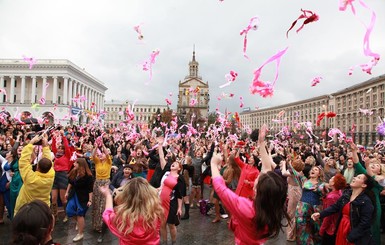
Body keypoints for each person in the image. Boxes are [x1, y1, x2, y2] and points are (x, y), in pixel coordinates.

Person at [210, 125, 289, 244]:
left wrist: (213, 164)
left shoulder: (247, 208)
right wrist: (261, 142)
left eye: (258, 179)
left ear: (257, 189)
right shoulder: (271, 208)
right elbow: (267, 167)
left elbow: (221, 189)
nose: (259, 176)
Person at [312, 173, 376, 245]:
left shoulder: (366, 201)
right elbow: (335, 207)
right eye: (355, 176)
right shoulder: (347, 194)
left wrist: (352, 236)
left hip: (353, 232)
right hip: (342, 228)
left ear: (364, 185)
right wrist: (320, 214)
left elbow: (365, 222)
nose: (354, 177)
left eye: (358, 177)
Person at [99, 177, 164, 245]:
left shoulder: (121, 218)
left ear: (126, 196)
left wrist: (108, 195)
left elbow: (107, 214)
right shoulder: (156, 213)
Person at [14, 134, 55, 215]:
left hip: (25, 209)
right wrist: (45, 146)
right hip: (43, 209)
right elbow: (48, 160)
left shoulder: (30, 178)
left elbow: (23, 162)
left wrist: (31, 143)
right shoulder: (51, 175)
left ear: (37, 167)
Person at [65, 158, 94, 242]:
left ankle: (80, 233)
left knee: (80, 214)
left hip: (83, 197)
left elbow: (90, 189)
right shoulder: (74, 171)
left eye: (76, 163)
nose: (74, 164)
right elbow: (70, 183)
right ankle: (79, 222)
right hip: (74, 194)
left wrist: (90, 200)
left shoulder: (88, 176)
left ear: (80, 165)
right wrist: (67, 192)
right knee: (69, 210)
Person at [91, 140, 112, 242]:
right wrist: (96, 146)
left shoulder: (108, 162)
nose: (101, 155)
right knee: (96, 204)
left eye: (102, 154)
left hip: (105, 183)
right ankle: (96, 225)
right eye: (101, 154)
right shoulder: (97, 161)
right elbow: (93, 154)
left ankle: (102, 225)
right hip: (97, 182)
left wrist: (103, 145)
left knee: (103, 205)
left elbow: (107, 154)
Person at [51, 130, 73, 222]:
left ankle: (67, 214)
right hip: (55, 175)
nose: (59, 149)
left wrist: (63, 136)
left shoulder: (67, 155)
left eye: (61, 148)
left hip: (63, 175)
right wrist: (54, 137)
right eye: (59, 148)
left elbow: (67, 147)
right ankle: (54, 216)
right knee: (53, 198)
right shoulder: (56, 155)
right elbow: (53, 147)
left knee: (63, 199)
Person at [319, 173, 347, 245]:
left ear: (334, 183)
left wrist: (322, 229)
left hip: (330, 228)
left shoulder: (331, 197)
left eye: (332, 178)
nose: (330, 179)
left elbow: (328, 216)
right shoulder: (339, 192)